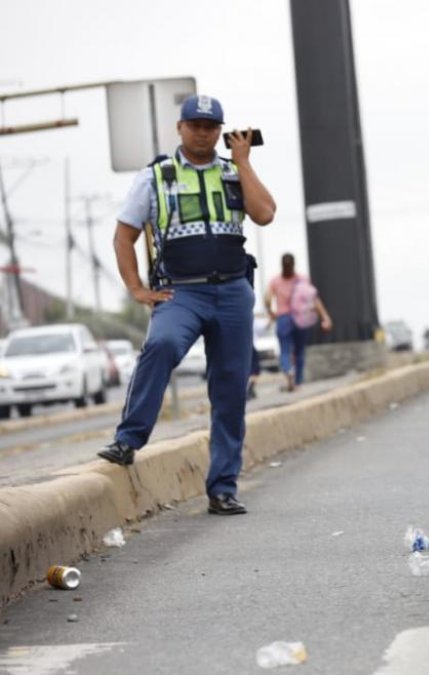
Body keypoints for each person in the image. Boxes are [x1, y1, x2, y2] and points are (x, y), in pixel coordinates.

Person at [98, 94, 276, 516]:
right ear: (180, 128)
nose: (203, 132)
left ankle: (223, 487)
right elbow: (124, 236)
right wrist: (136, 288)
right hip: (182, 293)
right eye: (195, 125)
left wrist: (244, 161)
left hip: (232, 291)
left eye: (211, 126)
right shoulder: (155, 177)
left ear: (221, 131)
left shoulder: (235, 172)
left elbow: (265, 214)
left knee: (230, 389)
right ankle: (128, 440)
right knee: (160, 346)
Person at [264, 253, 332, 391]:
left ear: (281, 265)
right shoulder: (302, 279)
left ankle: (288, 369)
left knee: (284, 349)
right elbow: (314, 299)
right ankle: (298, 382)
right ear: (294, 264)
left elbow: (267, 298)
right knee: (299, 351)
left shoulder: (275, 281)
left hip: (283, 318)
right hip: (301, 318)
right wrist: (325, 316)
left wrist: (271, 312)